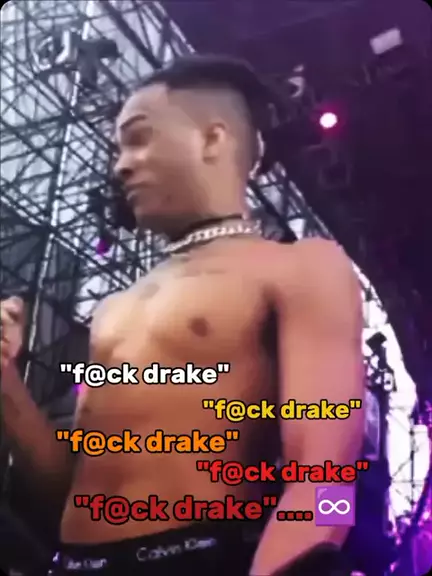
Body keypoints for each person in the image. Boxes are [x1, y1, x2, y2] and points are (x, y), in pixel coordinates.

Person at [0, 54, 364, 575]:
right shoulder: (114, 309)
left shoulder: (302, 267)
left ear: (213, 139)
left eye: (138, 138)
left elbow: (325, 478)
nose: (120, 165)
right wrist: (6, 381)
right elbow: (68, 493)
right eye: (118, 149)